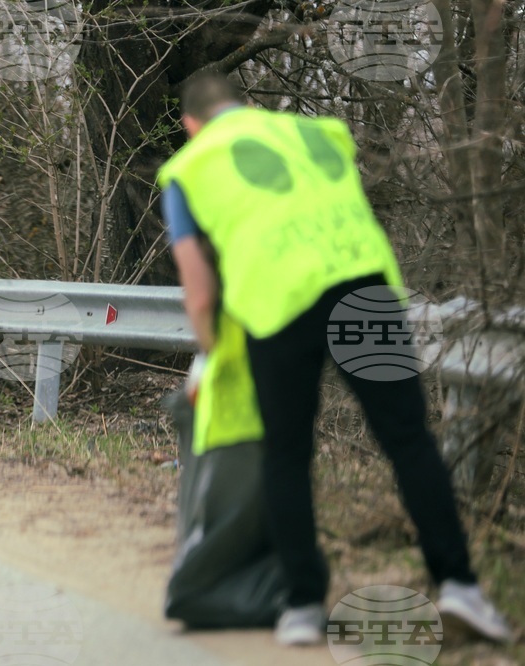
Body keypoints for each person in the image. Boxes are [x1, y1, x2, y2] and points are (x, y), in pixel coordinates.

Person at [157, 73, 512, 645]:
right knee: (408, 439)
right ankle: (460, 586)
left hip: (278, 304)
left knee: (287, 451)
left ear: (190, 125)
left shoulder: (190, 167)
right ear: (247, 108)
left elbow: (198, 294)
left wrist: (211, 354)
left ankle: (300, 605)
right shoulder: (318, 133)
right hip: (362, 289)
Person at [163, 309, 287, 630]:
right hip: (241, 397)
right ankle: (202, 588)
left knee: (215, 504)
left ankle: (208, 584)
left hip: (228, 390)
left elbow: (201, 300)